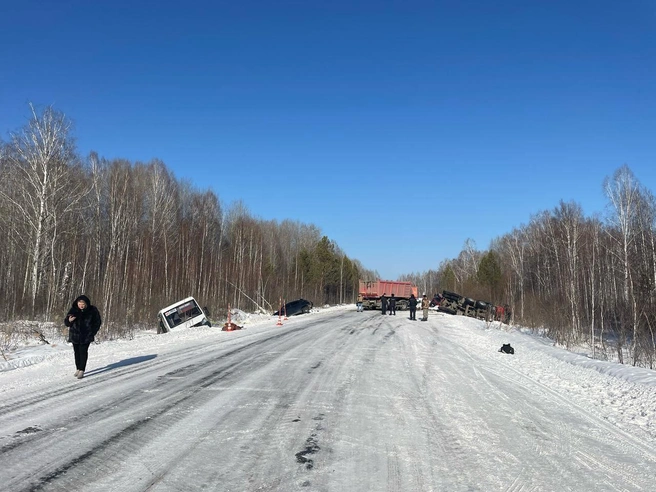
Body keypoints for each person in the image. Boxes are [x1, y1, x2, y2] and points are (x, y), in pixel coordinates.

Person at [64, 295, 102, 379]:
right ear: (77, 303)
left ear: (86, 304)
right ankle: (78, 368)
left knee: (83, 352)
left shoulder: (92, 310)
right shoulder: (73, 310)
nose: (81, 305)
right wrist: (69, 321)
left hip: (86, 336)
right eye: (80, 303)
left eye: (83, 304)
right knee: (76, 352)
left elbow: (97, 322)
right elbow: (66, 322)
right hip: (75, 336)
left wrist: (92, 332)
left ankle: (82, 370)